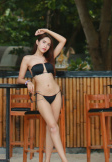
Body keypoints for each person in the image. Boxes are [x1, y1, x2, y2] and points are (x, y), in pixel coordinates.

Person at [17, 28, 69, 162]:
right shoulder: (27, 59)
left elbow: (63, 40)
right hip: (41, 96)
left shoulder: (50, 57)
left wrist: (47, 30)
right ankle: (65, 160)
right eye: (44, 42)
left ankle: (47, 160)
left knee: (51, 128)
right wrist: (27, 82)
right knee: (53, 127)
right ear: (37, 42)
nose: (46, 46)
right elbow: (20, 78)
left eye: (48, 44)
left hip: (56, 94)